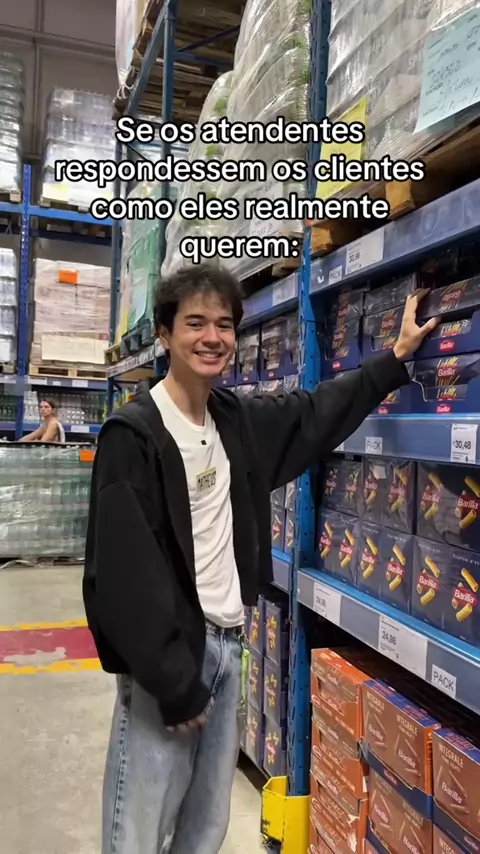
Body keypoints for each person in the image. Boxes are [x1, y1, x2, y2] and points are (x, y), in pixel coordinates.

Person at [83, 264, 437, 854]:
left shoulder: (232, 420)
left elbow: (313, 413)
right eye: (195, 323)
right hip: (169, 661)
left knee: (206, 827)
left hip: (227, 647)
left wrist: (395, 358)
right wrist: (172, 680)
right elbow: (123, 576)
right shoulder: (134, 434)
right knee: (138, 833)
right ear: (164, 334)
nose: (212, 337)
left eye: (224, 325)